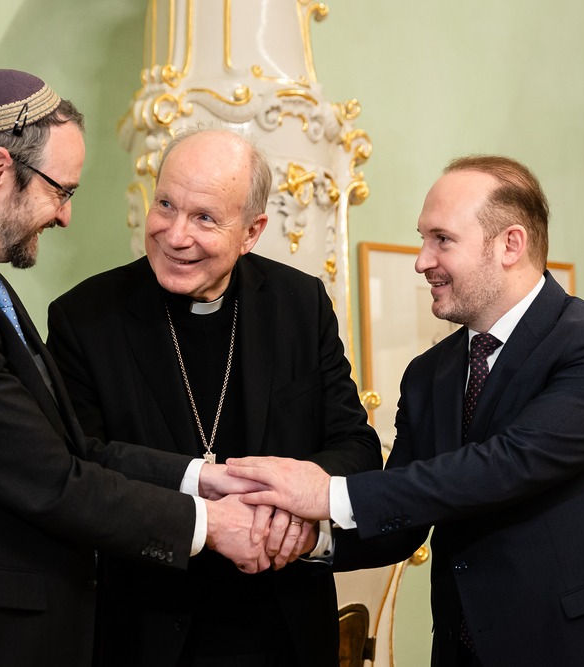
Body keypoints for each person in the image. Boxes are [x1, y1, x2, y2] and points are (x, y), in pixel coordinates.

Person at [0, 70, 266, 667]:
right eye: (61, 191)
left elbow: (69, 450)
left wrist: (199, 479)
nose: (64, 216)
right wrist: (208, 524)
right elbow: (51, 481)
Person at [227, 156, 584, 667]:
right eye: (423, 239)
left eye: (442, 240)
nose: (422, 261)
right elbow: (401, 522)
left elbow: (507, 465)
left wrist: (327, 493)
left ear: (511, 244)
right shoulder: (428, 374)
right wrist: (305, 539)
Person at [46, 128, 382, 667]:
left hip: (286, 627)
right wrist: (198, 483)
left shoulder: (300, 304)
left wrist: (291, 507)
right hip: (149, 630)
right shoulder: (85, 317)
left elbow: (356, 446)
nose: (175, 235)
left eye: (205, 218)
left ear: (251, 232)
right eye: (166, 205)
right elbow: (81, 462)